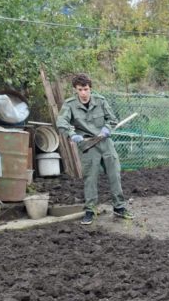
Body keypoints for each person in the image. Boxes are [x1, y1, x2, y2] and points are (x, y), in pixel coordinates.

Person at [56, 73, 131, 225]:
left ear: (90, 88)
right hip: (88, 145)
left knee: (114, 175)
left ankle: (119, 207)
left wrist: (107, 128)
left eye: (86, 89)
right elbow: (61, 122)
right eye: (80, 90)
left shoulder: (100, 101)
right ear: (75, 90)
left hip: (105, 142)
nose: (83, 93)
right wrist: (72, 134)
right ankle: (90, 210)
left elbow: (112, 119)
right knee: (90, 178)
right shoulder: (70, 104)